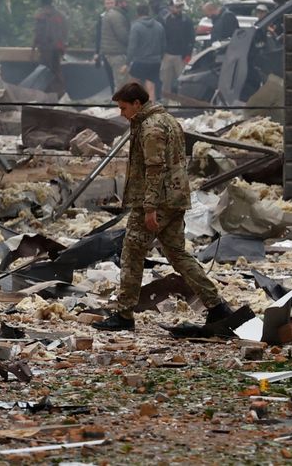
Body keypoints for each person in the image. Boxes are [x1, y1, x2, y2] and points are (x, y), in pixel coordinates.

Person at [97, 82, 244, 333]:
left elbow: (155, 169)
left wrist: (150, 207)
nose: (121, 114)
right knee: (177, 254)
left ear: (137, 104)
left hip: (158, 201)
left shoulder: (151, 127)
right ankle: (217, 306)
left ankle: (124, 314)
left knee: (132, 254)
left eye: (124, 108)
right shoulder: (167, 120)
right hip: (174, 199)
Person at [31, 0, 67, 95]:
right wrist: (62, 46)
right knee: (57, 71)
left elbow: (38, 33)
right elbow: (65, 32)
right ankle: (59, 94)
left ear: (41, 1)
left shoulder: (41, 15)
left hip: (46, 48)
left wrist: (33, 49)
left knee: (44, 72)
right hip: (58, 48)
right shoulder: (60, 15)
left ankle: (46, 95)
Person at [126, 3, 165, 99]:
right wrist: (160, 58)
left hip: (140, 61)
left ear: (137, 13)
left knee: (133, 84)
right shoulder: (159, 26)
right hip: (155, 61)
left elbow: (132, 47)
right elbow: (163, 45)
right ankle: (151, 107)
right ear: (148, 12)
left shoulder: (136, 26)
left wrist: (127, 62)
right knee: (151, 87)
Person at [160, 0, 195, 96]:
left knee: (182, 82)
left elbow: (191, 38)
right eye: (176, 7)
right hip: (167, 55)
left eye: (180, 7)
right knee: (165, 81)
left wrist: (188, 54)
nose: (179, 9)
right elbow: (161, 37)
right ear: (170, 7)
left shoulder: (187, 20)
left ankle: (183, 102)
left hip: (181, 56)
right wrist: (162, 52)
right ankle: (165, 102)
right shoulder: (165, 20)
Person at [97, 0, 131, 90]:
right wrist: (132, 44)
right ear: (120, 3)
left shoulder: (113, 14)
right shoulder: (116, 16)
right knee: (121, 83)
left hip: (113, 52)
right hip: (117, 53)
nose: (127, 4)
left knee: (121, 82)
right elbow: (122, 35)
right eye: (126, 2)